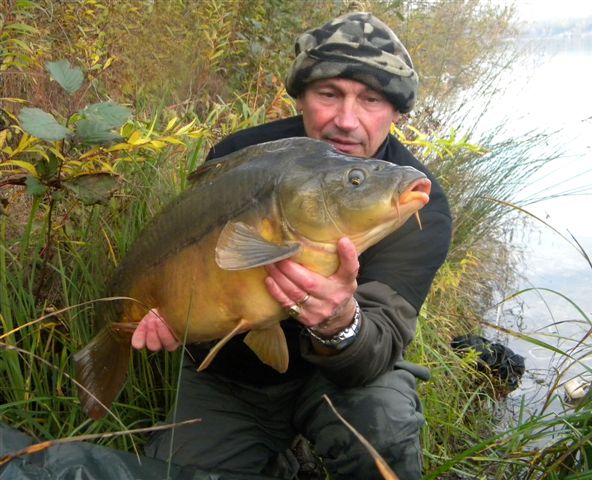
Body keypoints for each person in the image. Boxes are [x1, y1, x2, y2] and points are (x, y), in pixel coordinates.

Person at [132, 12, 452, 480]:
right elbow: (196, 269)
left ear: (397, 112)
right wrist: (177, 314)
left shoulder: (415, 202)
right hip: (231, 377)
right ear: (301, 97)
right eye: (328, 94)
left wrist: (340, 322)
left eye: (371, 99)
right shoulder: (242, 159)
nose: (346, 119)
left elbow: (379, 343)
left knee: (385, 424)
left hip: (336, 380)